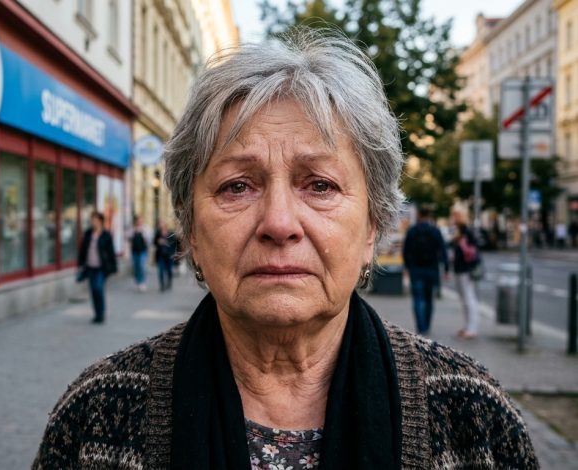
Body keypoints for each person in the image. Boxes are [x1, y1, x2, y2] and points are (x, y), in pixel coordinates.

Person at [34, 29, 537, 468]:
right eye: (237, 186)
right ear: (189, 228)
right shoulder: (97, 414)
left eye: (319, 185)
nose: (279, 223)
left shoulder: (471, 413)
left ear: (372, 226)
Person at [402, 206, 448, 335]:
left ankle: (420, 327)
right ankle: (427, 326)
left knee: (418, 299)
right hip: (432, 269)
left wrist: (407, 266)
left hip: (416, 269)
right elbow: (442, 250)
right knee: (429, 299)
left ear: (419, 216)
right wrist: (446, 268)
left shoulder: (412, 231)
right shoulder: (435, 231)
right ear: (429, 216)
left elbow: (406, 251)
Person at [77, 211, 117, 324]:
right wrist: (80, 265)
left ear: (100, 221)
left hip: (101, 267)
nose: (92, 222)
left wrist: (114, 268)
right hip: (90, 267)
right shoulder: (88, 233)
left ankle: (102, 312)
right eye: (91, 219)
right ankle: (97, 314)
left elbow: (111, 252)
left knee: (98, 288)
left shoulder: (106, 235)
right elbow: (83, 250)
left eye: (94, 219)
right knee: (93, 290)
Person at [451, 213, 481, 339]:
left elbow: (471, 252)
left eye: (455, 215)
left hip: (466, 270)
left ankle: (472, 328)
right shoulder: (461, 232)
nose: (453, 218)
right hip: (461, 269)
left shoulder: (466, 232)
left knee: (469, 298)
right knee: (465, 299)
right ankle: (467, 326)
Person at [154, 221, 177, 291]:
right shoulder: (158, 234)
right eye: (161, 226)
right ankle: (162, 285)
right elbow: (154, 242)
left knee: (169, 270)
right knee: (161, 270)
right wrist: (158, 242)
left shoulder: (171, 234)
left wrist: (166, 242)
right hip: (161, 255)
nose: (162, 228)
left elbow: (175, 243)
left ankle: (169, 281)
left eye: (164, 226)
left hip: (169, 255)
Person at [129, 215, 149, 291]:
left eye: (141, 220)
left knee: (141, 266)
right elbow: (128, 238)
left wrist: (143, 233)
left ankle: (142, 282)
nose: (139, 222)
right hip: (134, 251)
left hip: (143, 250)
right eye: (138, 220)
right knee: (136, 266)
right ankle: (138, 280)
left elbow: (148, 239)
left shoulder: (145, 228)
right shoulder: (132, 229)